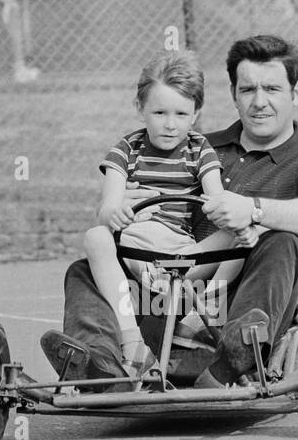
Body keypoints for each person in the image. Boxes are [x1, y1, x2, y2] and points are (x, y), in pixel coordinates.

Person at [41, 35, 298, 391]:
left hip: (231, 302)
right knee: (85, 269)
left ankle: (235, 352)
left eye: (272, 89)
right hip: (158, 298)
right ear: (233, 93)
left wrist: (254, 210)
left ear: (295, 93)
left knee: (281, 240)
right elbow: (116, 202)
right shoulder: (192, 145)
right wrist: (118, 205)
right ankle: (103, 366)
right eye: (248, 90)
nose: (259, 102)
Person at [81, 50, 259, 382]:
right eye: (159, 112)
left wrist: (238, 223)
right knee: (96, 235)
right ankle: (132, 342)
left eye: (181, 113)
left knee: (243, 227)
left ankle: (197, 318)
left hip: (182, 259)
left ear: (195, 114)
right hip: (136, 253)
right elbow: (108, 206)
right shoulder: (127, 149)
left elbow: (217, 199)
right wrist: (114, 211)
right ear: (140, 109)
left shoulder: (199, 150)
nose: (170, 123)